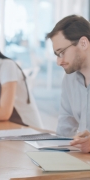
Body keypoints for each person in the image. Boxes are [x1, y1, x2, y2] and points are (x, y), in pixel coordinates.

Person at [46, 15, 90, 153]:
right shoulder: (69, 79)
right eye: (57, 54)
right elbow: (65, 127)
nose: (59, 62)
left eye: (62, 52)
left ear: (83, 43)